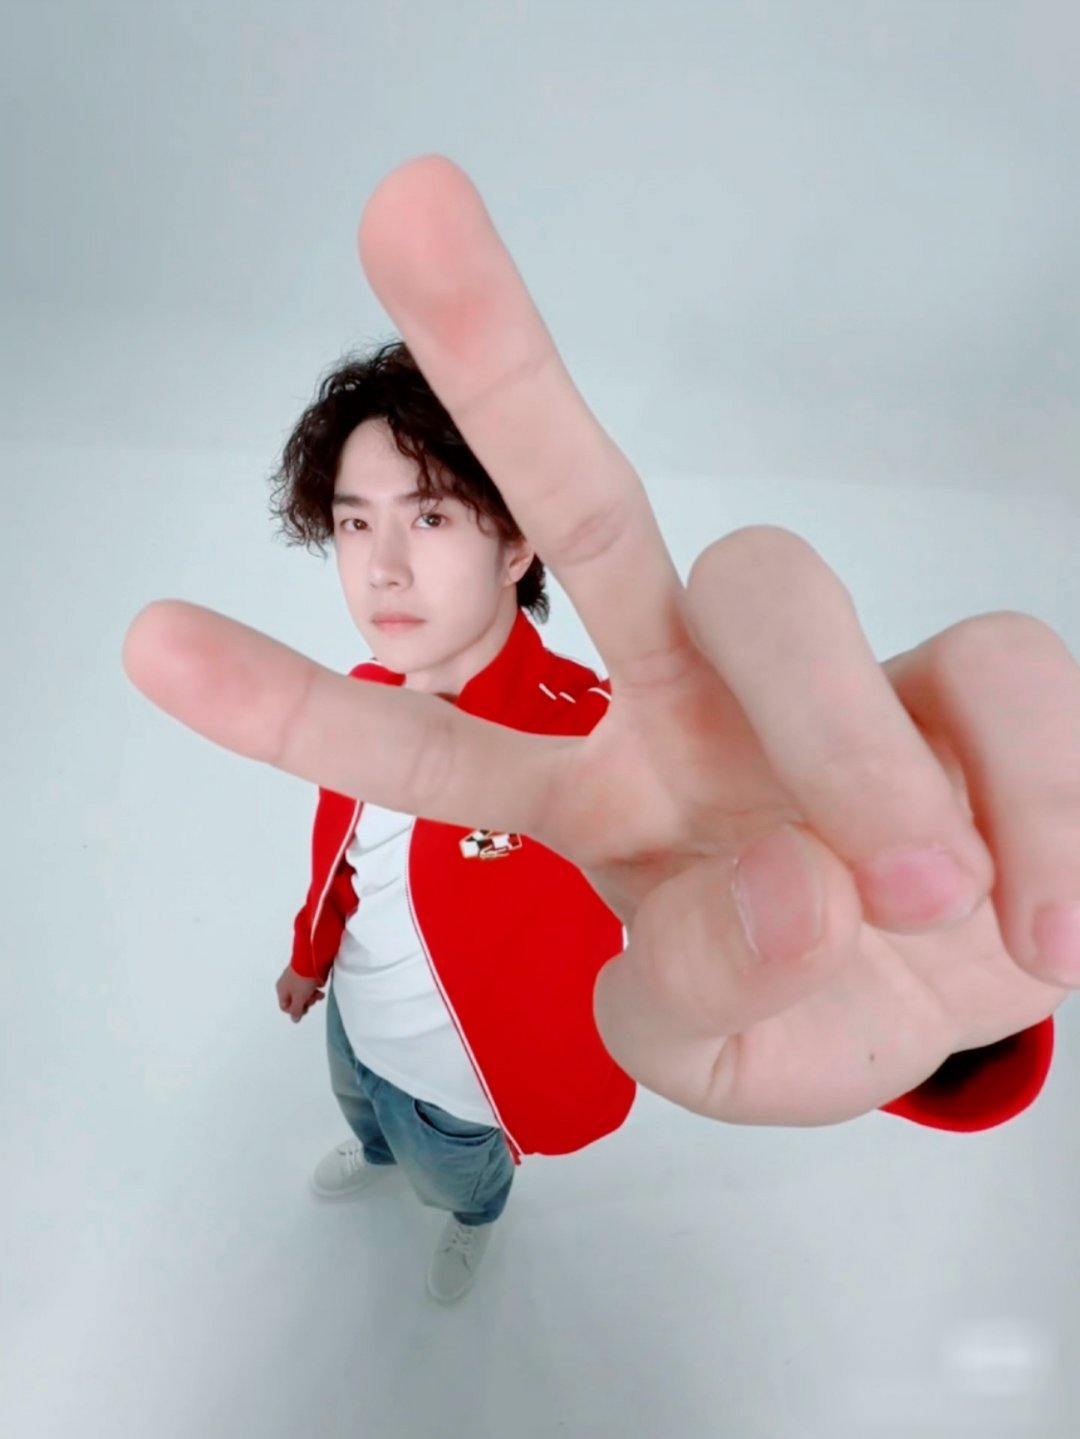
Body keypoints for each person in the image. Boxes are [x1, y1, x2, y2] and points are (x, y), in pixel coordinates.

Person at [121, 155, 1076, 1304]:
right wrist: (309, 956)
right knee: (366, 1113)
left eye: (432, 515)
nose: (383, 565)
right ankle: (373, 1143)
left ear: (515, 543)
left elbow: (692, 879)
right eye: (355, 521)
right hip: (355, 1032)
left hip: (474, 1098)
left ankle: (472, 1210)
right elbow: (345, 861)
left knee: (452, 1176)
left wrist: (919, 966)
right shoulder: (357, 703)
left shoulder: (598, 741)